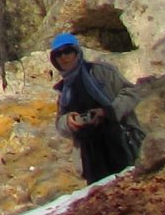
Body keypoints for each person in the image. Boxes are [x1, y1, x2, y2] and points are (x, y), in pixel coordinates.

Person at [49, 33, 141, 183]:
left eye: (67, 51)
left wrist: (107, 111)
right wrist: (69, 121)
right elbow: (60, 123)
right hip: (90, 155)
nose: (63, 57)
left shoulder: (102, 72)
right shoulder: (63, 89)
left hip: (120, 141)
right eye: (58, 54)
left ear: (77, 52)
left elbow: (131, 93)